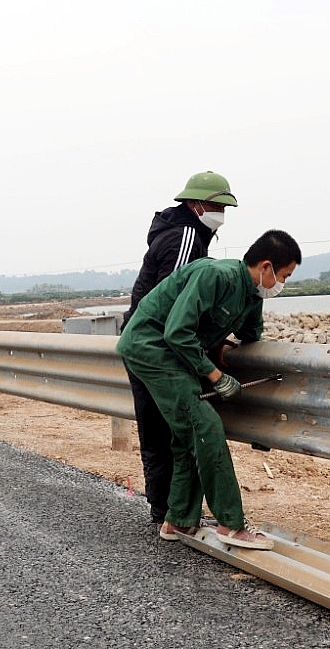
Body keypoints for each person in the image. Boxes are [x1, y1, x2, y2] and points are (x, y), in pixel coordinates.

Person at [116, 230, 302, 550]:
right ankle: (231, 524)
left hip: (175, 353)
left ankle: (179, 519)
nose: (282, 284)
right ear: (266, 267)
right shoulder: (216, 275)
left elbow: (250, 334)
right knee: (206, 426)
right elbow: (176, 332)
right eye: (284, 276)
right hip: (152, 348)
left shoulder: (251, 294)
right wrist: (215, 375)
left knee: (189, 433)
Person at [124, 170, 238, 525]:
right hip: (156, 349)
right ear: (196, 204)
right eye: (217, 205)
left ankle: (167, 510)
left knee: (158, 429)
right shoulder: (186, 236)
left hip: (147, 344)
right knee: (168, 430)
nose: (221, 213)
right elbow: (172, 302)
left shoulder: (184, 232)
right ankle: (168, 511)